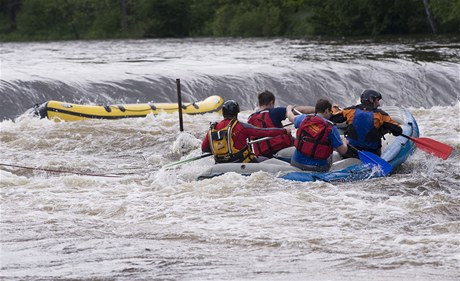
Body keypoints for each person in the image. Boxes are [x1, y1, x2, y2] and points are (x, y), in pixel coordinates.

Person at [202, 100, 292, 164]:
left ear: (223, 113)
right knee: (271, 162)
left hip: (221, 163)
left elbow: (204, 148)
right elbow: (264, 132)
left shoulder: (212, 129)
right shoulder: (241, 126)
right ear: (237, 113)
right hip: (242, 162)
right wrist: (284, 131)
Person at [330, 89, 402, 157]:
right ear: (371, 99)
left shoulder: (350, 111)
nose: (379, 104)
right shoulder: (381, 115)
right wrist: (385, 128)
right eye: (377, 100)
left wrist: (334, 109)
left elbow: (333, 118)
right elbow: (398, 131)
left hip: (351, 151)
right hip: (372, 152)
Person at [247, 90, 315, 158]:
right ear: (271, 103)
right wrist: (318, 110)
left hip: (261, 154)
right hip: (279, 151)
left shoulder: (251, 118)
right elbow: (301, 110)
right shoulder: (274, 112)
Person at [286, 99, 348, 172]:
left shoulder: (304, 118)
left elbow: (290, 117)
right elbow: (342, 151)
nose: (331, 114)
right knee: (330, 147)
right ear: (326, 111)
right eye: (330, 111)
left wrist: (289, 108)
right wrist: (344, 141)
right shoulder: (331, 128)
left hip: (296, 163)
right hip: (317, 167)